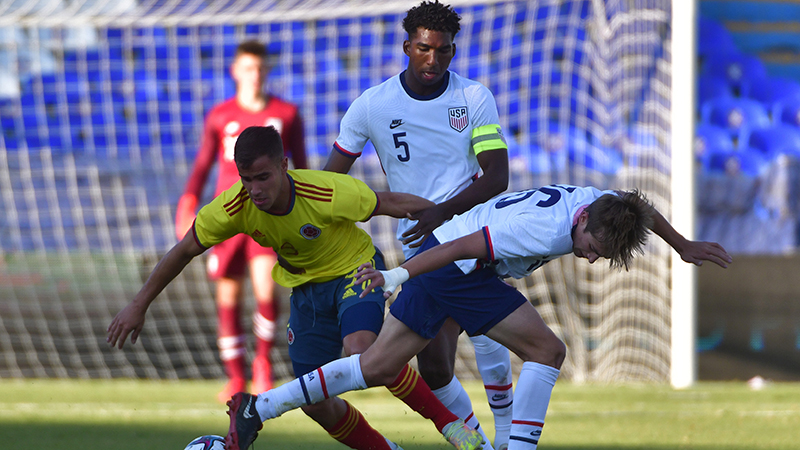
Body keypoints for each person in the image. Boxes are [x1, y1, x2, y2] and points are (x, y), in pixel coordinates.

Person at [223, 184, 733, 450]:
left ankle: (259, 407)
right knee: (548, 351)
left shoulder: (599, 206)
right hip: (458, 266)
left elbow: (637, 205)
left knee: (376, 367)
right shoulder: (543, 231)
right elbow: (464, 247)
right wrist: (398, 278)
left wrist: (682, 245)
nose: (592, 258)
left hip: (452, 259)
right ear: (580, 223)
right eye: (591, 247)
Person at [108, 126, 484, 450]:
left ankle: (450, 425)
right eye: (246, 179)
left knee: (362, 350)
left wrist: (453, 226)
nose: (254, 189)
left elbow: (391, 202)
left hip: (356, 272)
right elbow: (184, 249)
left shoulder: (324, 191)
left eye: (263, 177)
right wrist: (138, 305)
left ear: (284, 166)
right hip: (306, 291)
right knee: (316, 401)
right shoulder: (234, 207)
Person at [324, 2, 513, 447]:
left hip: (471, 233)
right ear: (407, 46)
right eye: (425, 49)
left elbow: (497, 176)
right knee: (433, 368)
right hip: (419, 249)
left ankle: (505, 439)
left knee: (487, 331)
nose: (434, 60)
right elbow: (332, 184)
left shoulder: (472, 98)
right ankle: (480, 444)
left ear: (453, 51)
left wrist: (444, 211)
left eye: (444, 51)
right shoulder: (372, 105)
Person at [175, 40, 308, 402]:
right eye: (248, 68)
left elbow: (303, 165)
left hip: (268, 216)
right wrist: (188, 201)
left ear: (268, 71)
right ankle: (235, 378)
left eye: (261, 68)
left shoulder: (286, 113)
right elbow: (203, 164)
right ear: (235, 71)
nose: (255, 75)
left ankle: (262, 364)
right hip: (228, 217)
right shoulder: (220, 115)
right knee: (228, 297)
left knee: (267, 292)